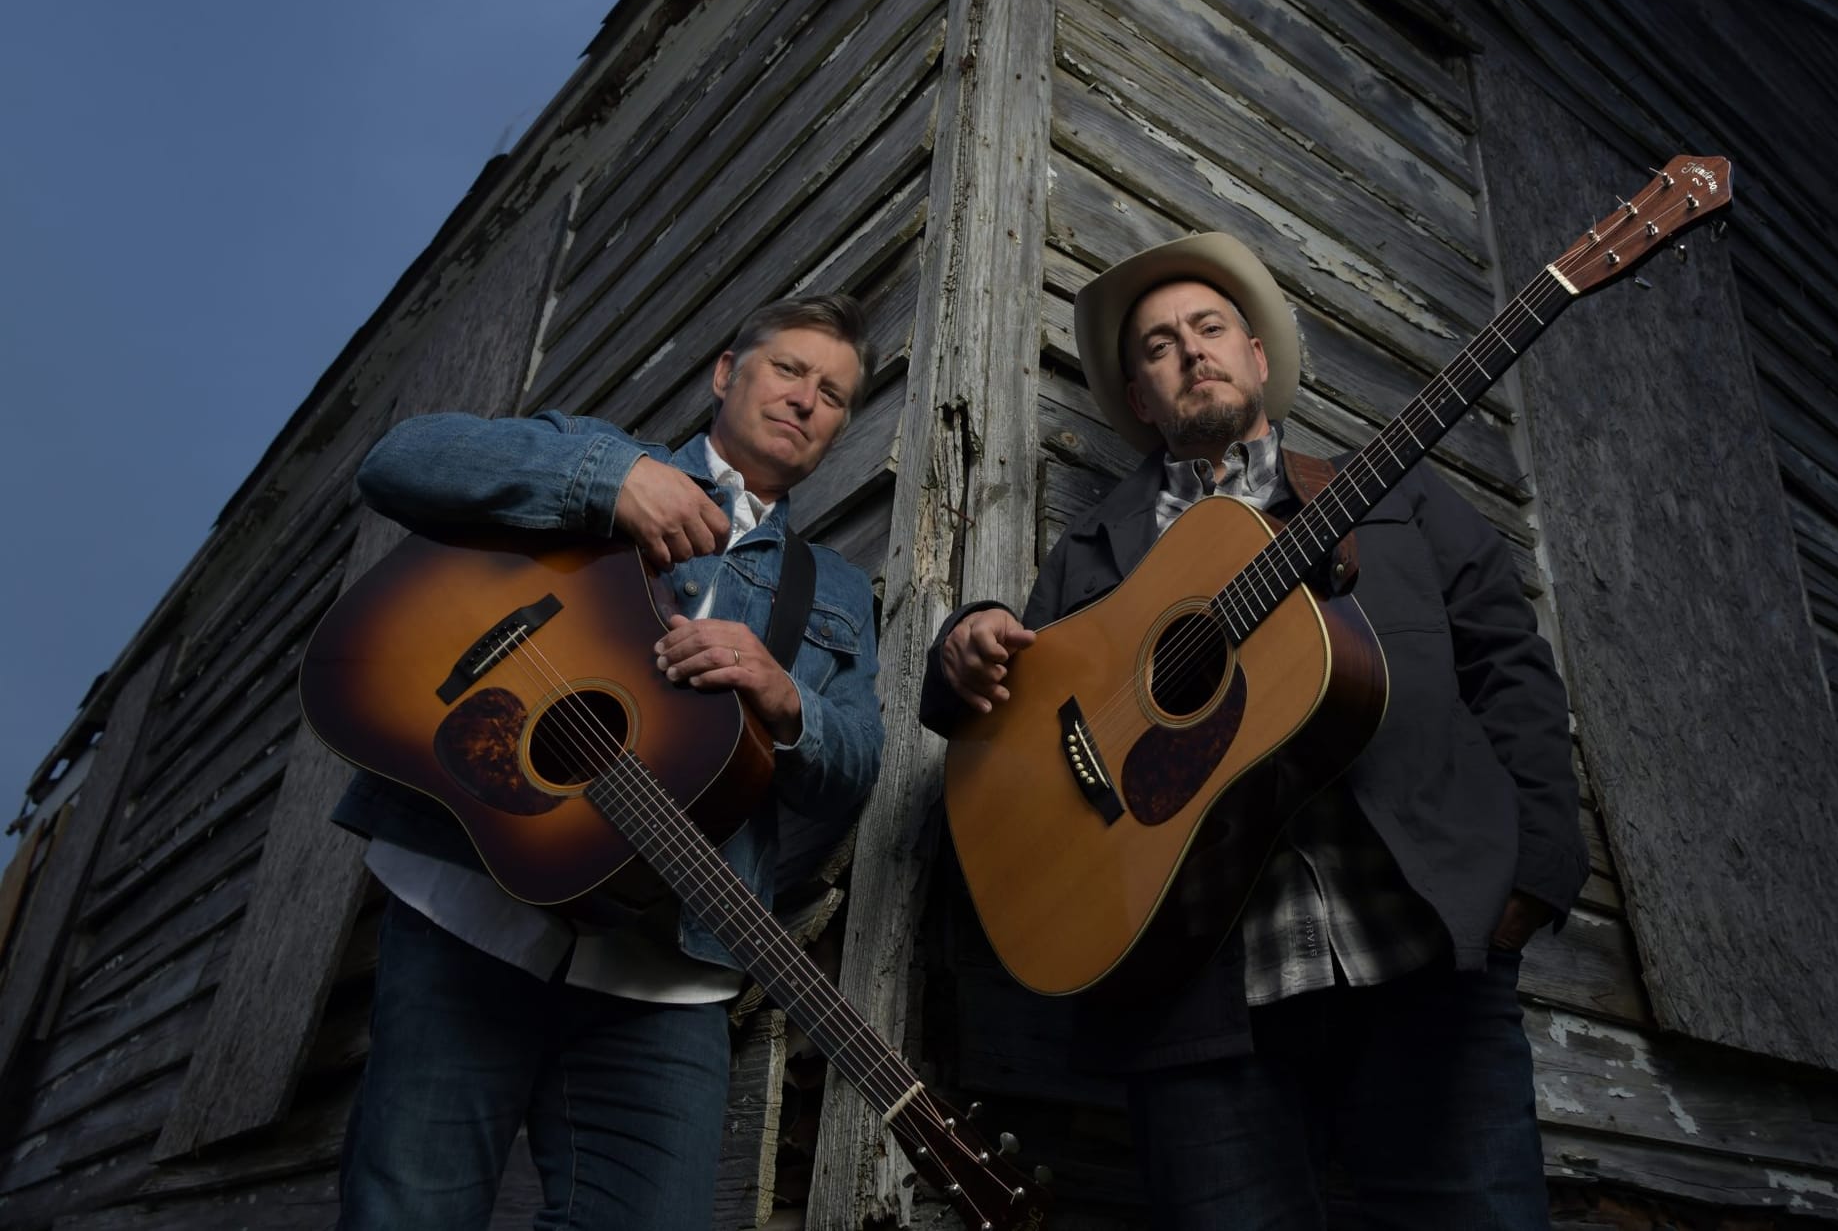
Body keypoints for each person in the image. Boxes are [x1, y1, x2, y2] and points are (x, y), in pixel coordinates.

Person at [921, 236, 1587, 1229]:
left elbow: (1510, 668)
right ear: (1140, 398)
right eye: (1156, 345)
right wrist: (958, 649)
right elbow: (1023, 733)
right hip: (1191, 1010)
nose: (1190, 352)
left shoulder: (1393, 494)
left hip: (1419, 962)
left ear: (1256, 357)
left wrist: (1532, 874)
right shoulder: (1092, 551)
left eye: (1208, 328)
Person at [332, 293, 885, 1230]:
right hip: (475, 899)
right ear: (725, 373)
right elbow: (398, 463)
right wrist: (604, 478)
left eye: (832, 394)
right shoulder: (598, 455)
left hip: (666, 965)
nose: (805, 400)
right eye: (788, 369)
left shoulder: (833, 593)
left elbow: (858, 766)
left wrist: (788, 703)